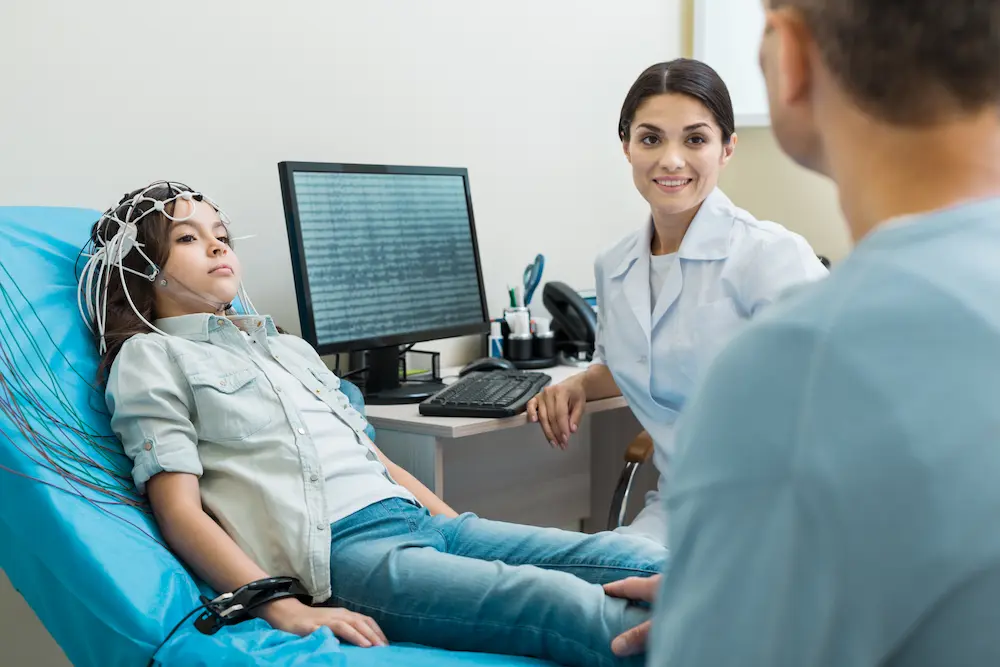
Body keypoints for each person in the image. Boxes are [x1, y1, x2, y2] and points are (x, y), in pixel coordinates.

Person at [86, 182, 667, 667]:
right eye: (189, 238)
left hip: (426, 523)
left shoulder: (284, 347)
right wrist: (282, 607)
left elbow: (371, 457)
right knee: (559, 601)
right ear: (142, 269)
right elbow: (179, 511)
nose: (217, 246)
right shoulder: (150, 356)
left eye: (222, 235)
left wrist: (454, 528)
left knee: (633, 563)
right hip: (345, 553)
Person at [607, 0, 1000, 664]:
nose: (671, 157)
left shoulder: (796, 363)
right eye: (650, 137)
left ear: (788, 57)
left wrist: (718, 605)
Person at [527, 58, 827, 545]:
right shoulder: (615, 265)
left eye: (695, 139)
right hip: (681, 507)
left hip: (779, 513)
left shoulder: (769, 255)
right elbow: (635, 362)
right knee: (594, 585)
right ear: (626, 147)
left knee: (637, 606)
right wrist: (579, 385)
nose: (670, 160)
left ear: (727, 148)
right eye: (650, 139)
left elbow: (835, 402)